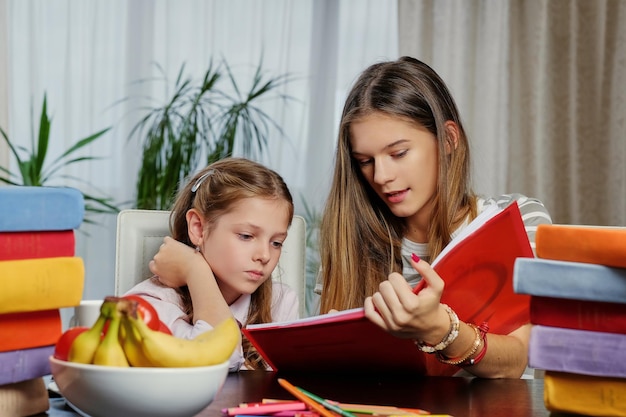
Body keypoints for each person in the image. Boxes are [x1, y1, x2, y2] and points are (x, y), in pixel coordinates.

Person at [316, 56, 552, 378]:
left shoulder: (520, 221)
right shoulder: (347, 239)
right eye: (365, 161)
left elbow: (515, 361)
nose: (381, 176)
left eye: (398, 153)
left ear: (449, 140)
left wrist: (441, 330)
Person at [125, 157, 299, 371]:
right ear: (199, 228)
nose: (264, 255)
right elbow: (216, 359)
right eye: (246, 236)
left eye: (276, 242)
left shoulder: (280, 302)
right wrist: (195, 269)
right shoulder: (153, 304)